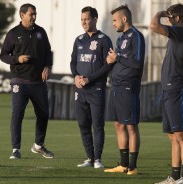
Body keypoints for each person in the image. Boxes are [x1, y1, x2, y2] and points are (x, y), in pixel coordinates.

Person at [0, 3, 54, 159]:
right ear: (22, 15)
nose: (34, 17)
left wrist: (48, 66)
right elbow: (3, 55)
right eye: (31, 14)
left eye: (35, 14)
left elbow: (48, 52)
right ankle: (15, 149)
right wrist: (17, 59)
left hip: (38, 82)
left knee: (44, 114)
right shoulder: (12, 33)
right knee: (17, 114)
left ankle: (38, 146)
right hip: (20, 81)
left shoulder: (41, 32)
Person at [150, 3, 183, 184]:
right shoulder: (178, 35)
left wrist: (160, 13)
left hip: (176, 89)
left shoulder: (182, 32)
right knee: (172, 135)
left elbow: (153, 26)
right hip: (168, 89)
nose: (167, 19)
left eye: (170, 16)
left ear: (177, 18)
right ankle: (174, 177)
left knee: (181, 135)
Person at [103, 5, 145, 175]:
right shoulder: (120, 39)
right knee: (118, 124)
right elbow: (119, 61)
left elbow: (136, 63)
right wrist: (111, 62)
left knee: (131, 126)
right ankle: (123, 164)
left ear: (124, 19)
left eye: (115, 20)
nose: (113, 23)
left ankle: (133, 167)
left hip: (129, 86)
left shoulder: (137, 36)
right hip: (116, 85)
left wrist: (118, 57)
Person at [70, 6, 113, 169]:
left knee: (97, 125)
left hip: (96, 89)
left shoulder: (104, 39)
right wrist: (76, 76)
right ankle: (89, 157)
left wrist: (89, 79)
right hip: (80, 90)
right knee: (82, 123)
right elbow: (73, 61)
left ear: (95, 19)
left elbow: (108, 65)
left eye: (86, 19)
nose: (84, 22)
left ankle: (98, 159)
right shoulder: (79, 39)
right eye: (82, 19)